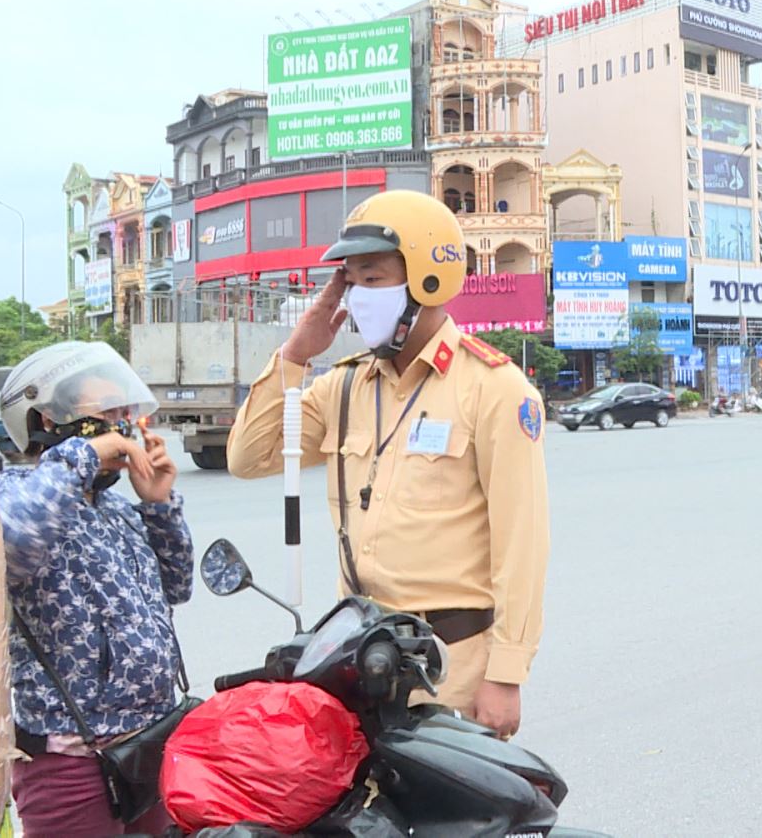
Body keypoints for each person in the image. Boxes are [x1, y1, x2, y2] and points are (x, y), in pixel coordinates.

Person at [225, 191, 549, 738]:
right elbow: (248, 456)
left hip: (450, 667)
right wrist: (295, 357)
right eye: (348, 282)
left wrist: (505, 675)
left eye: (371, 279)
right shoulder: (345, 387)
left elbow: (523, 546)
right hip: (356, 661)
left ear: (428, 279)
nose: (354, 298)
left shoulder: (493, 389)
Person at [0, 342, 194, 837]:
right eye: (103, 414)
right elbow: (14, 544)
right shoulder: (12, 494)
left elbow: (177, 586)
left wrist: (159, 504)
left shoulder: (117, 512)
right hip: (73, 764)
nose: (120, 426)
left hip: (150, 743)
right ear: (47, 420)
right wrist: (81, 457)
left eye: (122, 412)